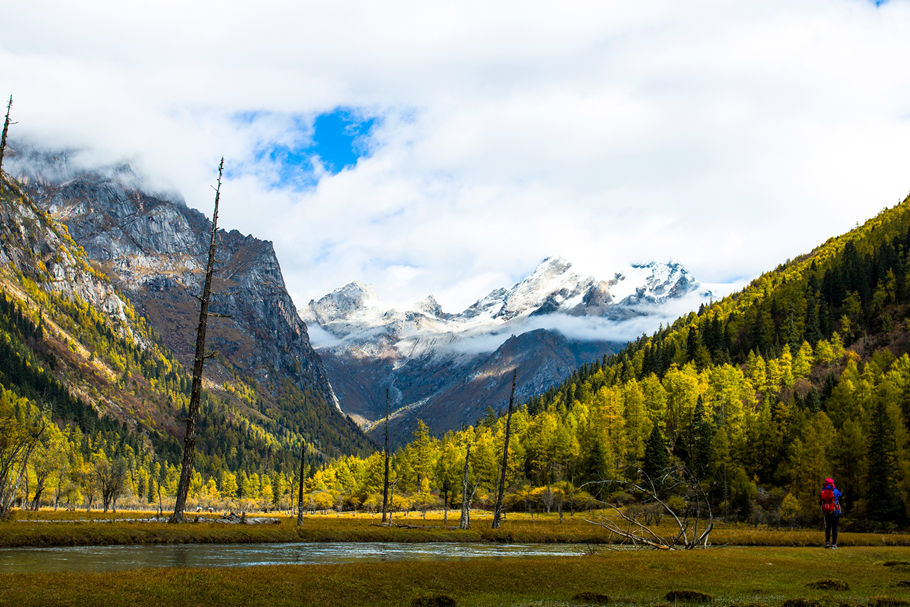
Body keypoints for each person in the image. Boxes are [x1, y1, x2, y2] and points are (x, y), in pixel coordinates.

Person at [819, 477, 843, 548]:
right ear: (832, 483)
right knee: (834, 527)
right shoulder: (835, 490)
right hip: (835, 511)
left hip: (826, 512)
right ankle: (834, 544)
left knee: (828, 528)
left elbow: (820, 501)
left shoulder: (822, 491)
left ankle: (827, 543)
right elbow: (840, 495)